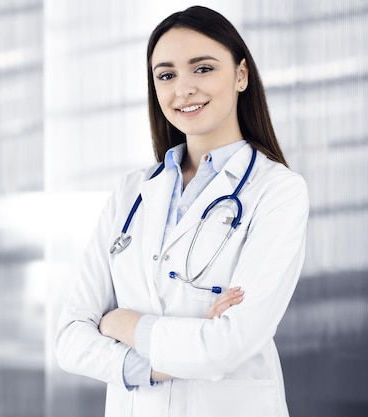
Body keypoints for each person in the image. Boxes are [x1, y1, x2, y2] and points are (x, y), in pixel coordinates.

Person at [55, 5, 309, 417]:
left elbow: (228, 346)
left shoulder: (278, 191)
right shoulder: (131, 193)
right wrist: (153, 366)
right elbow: (70, 339)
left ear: (241, 75)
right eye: (167, 75)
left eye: (203, 69)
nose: (183, 88)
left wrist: (122, 323)